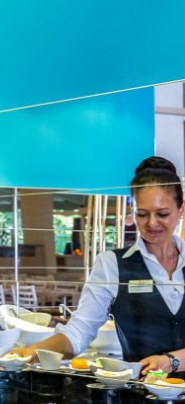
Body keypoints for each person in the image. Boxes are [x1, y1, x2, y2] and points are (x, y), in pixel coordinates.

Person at [12, 156, 185, 375]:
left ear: (181, 210)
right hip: (140, 392)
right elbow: (79, 331)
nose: (152, 223)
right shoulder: (112, 264)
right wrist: (29, 353)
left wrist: (173, 361)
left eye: (162, 214)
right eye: (142, 214)